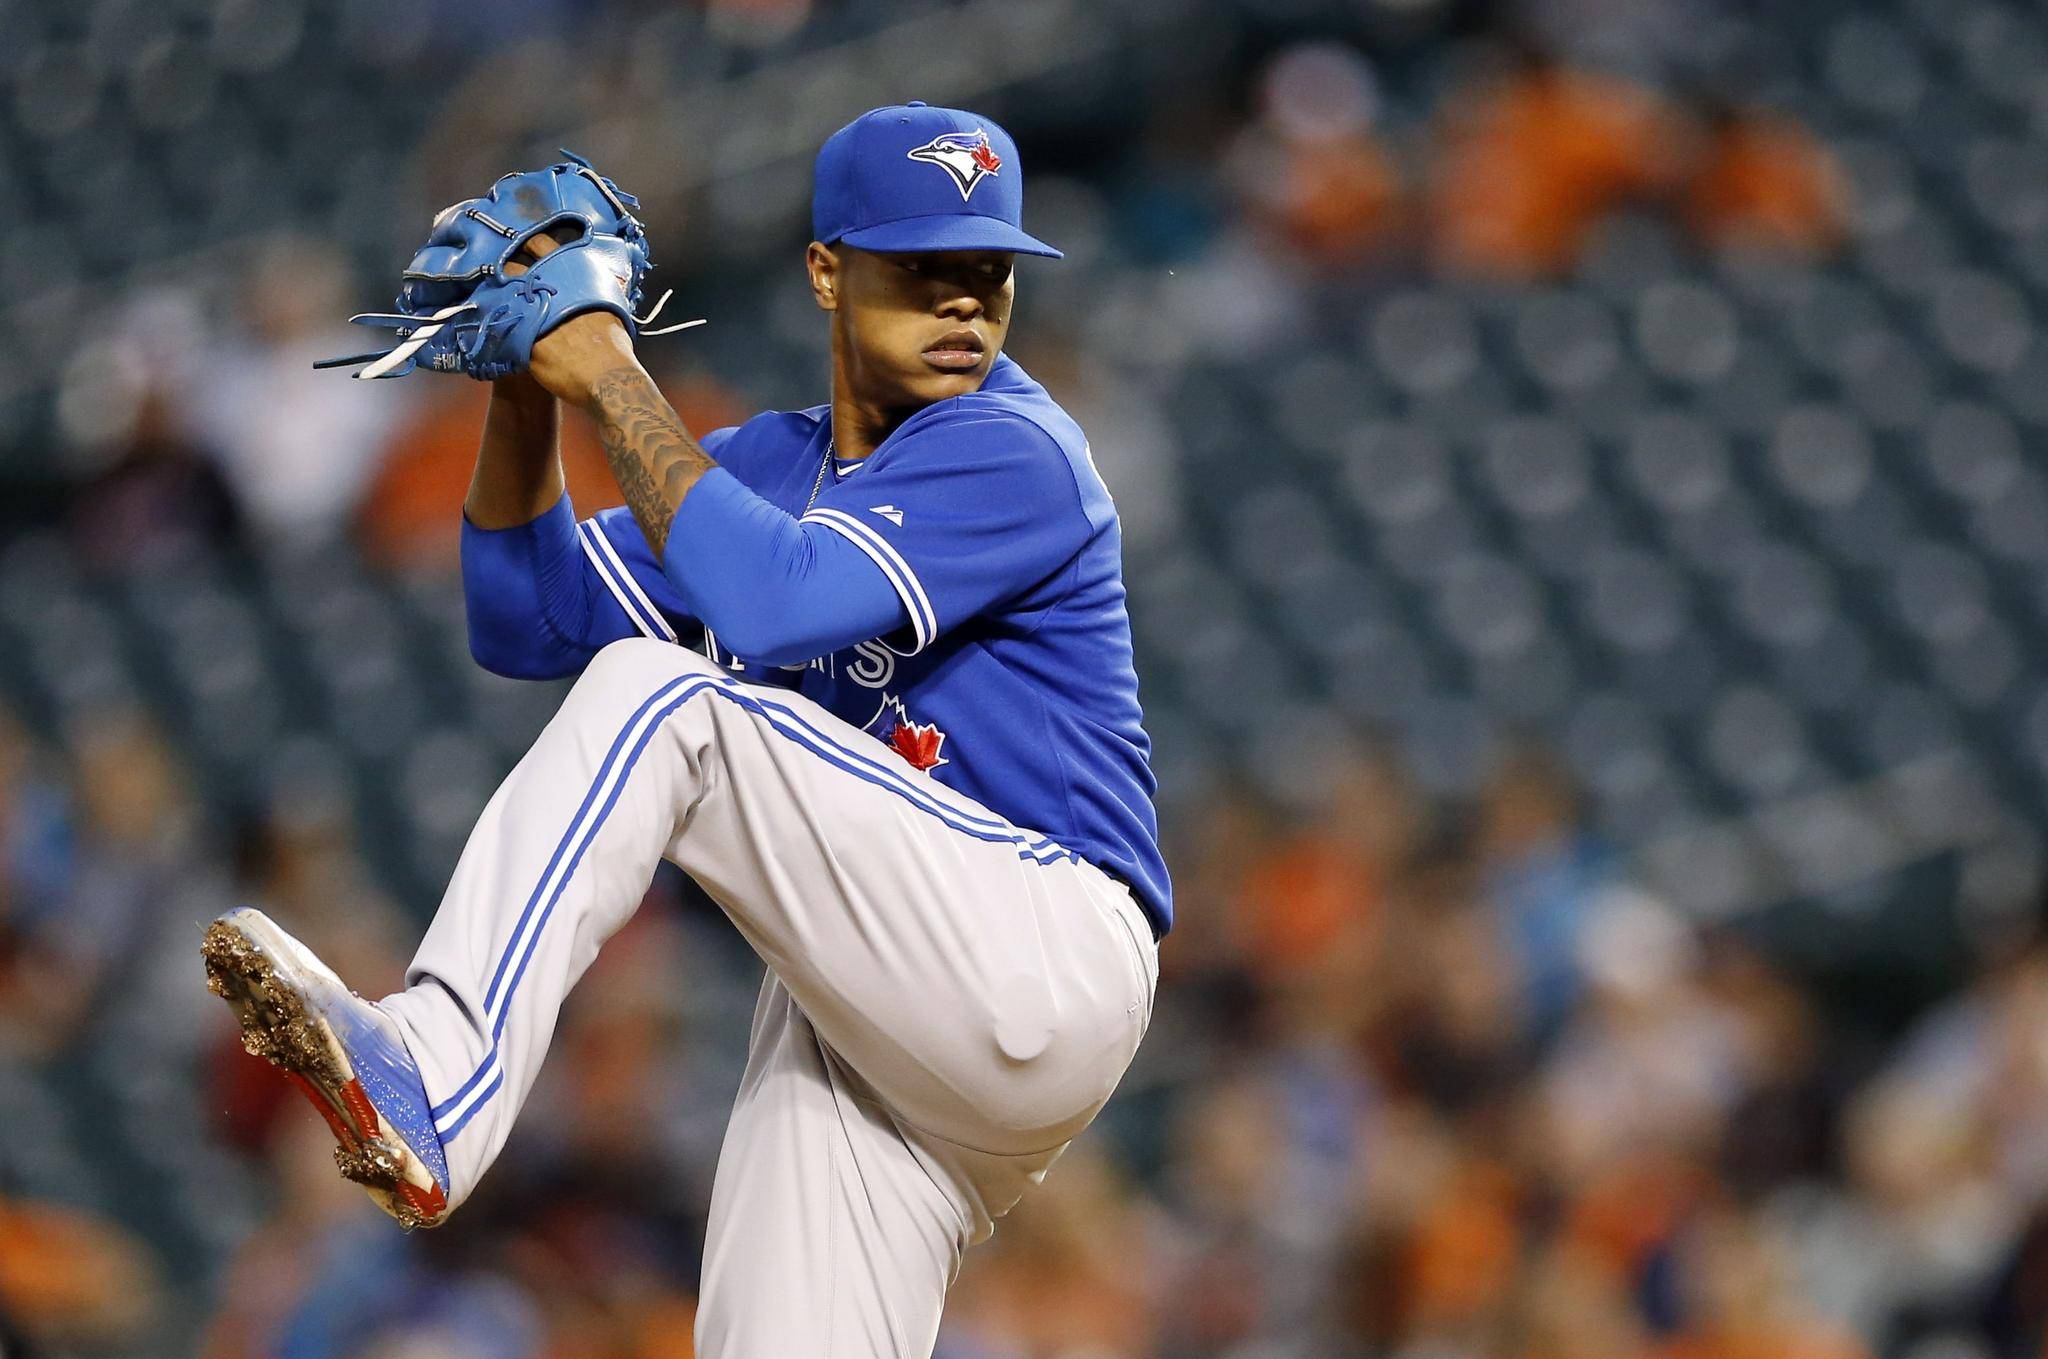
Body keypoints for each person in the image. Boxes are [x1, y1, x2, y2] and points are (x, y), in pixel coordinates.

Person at [202, 102, 1167, 1357]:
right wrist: (526, 373)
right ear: (826, 271)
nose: (964, 306)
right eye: (922, 268)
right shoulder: (765, 468)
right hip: (884, 1024)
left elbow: (770, 605)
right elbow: (525, 616)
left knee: (668, 702)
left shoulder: (1014, 447)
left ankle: (436, 1071)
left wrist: (607, 364)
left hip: (1042, 941)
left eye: (986, 272)